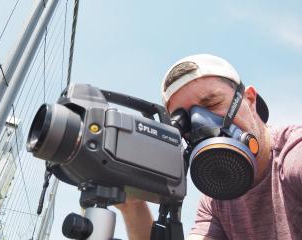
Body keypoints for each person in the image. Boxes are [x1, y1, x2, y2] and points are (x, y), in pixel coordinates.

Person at [116, 54, 302, 240]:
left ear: (249, 99)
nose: (200, 124)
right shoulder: (214, 202)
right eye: (185, 121)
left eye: (212, 103)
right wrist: (133, 204)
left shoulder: (293, 154)